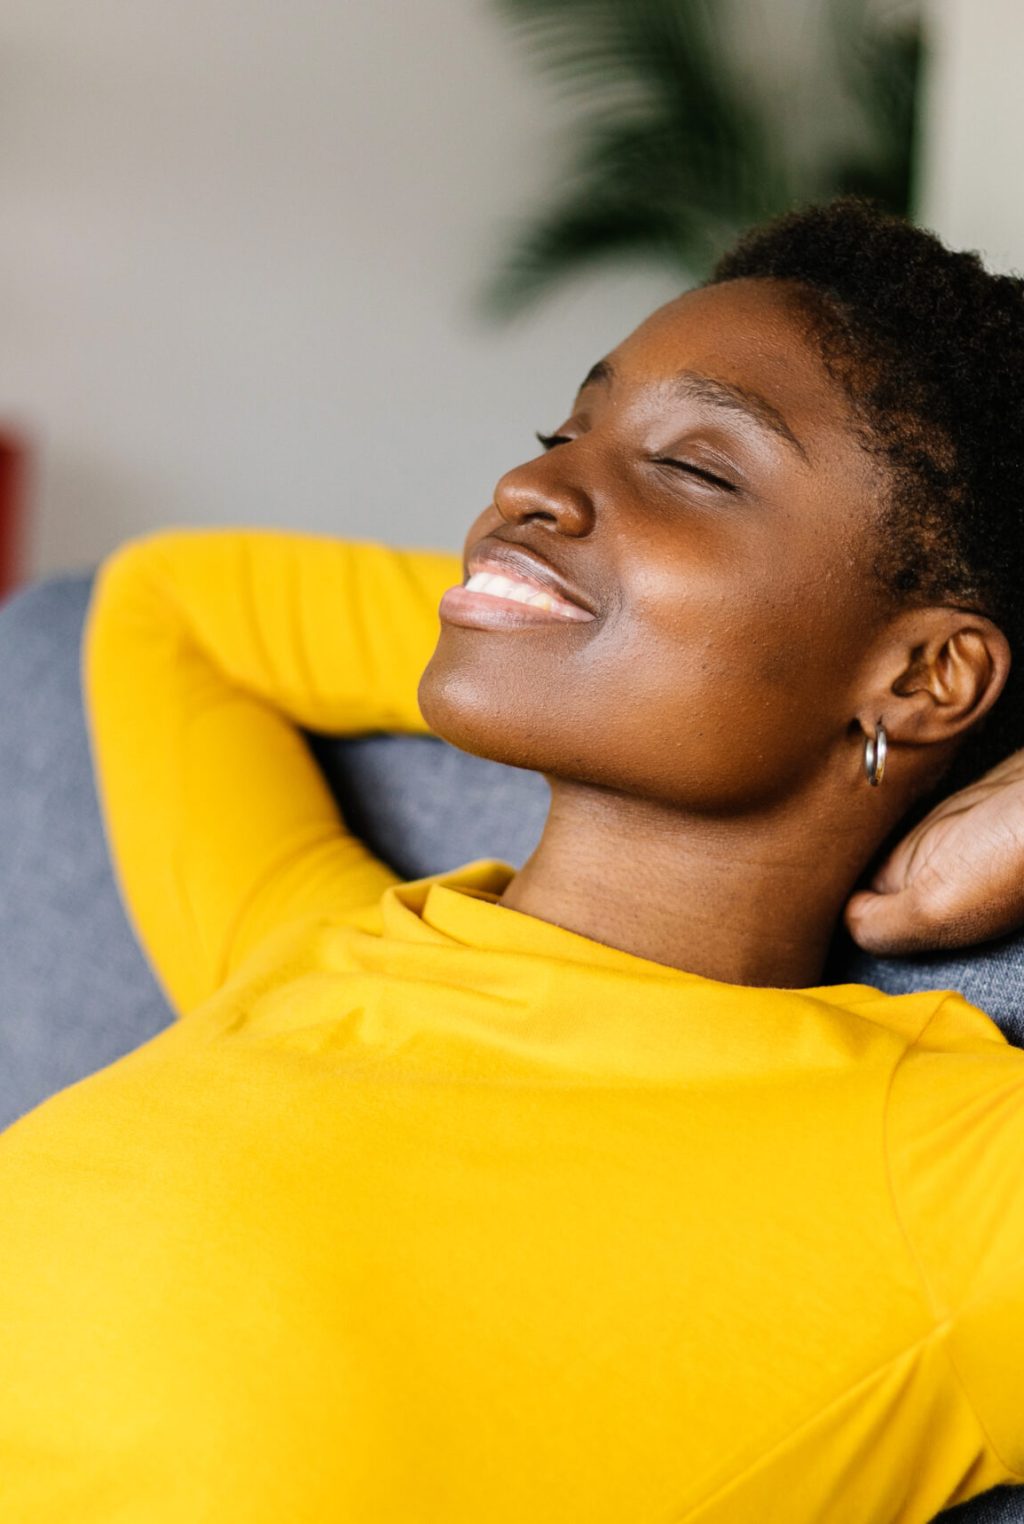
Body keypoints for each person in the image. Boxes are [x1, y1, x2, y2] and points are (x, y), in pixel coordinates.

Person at [1, 196, 1024, 1522]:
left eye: (696, 470)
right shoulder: (307, 954)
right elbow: (170, 611)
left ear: (928, 671)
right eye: (565, 433)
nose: (527, 487)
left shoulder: (941, 1182)